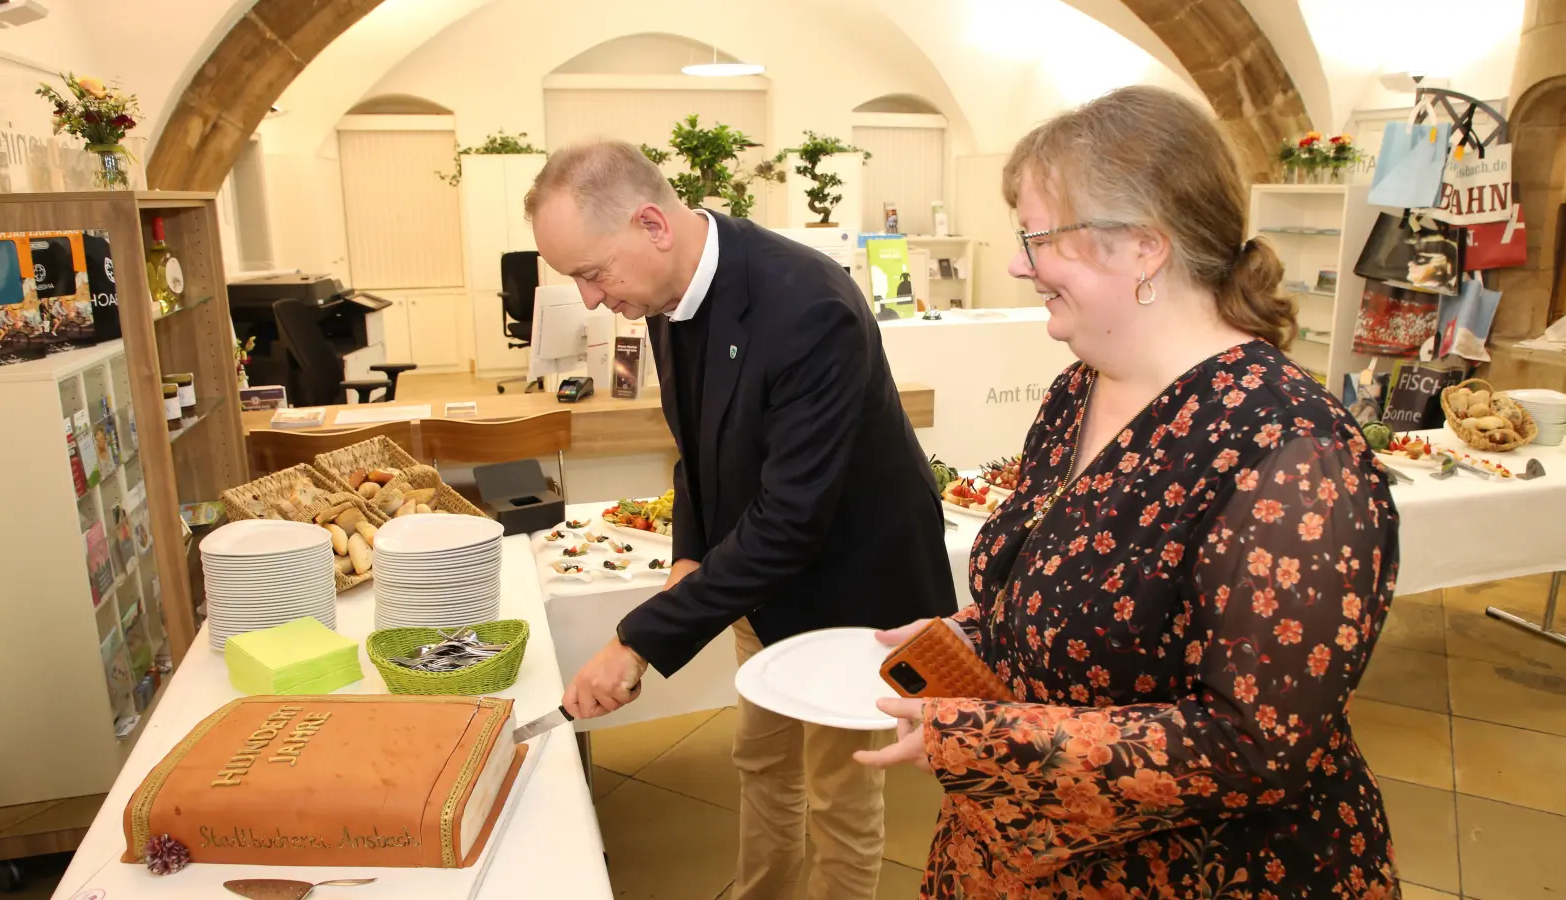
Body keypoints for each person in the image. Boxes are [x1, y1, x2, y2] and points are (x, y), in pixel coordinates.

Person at [856, 85, 1401, 897]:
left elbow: (1254, 750)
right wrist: (976, 635)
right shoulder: (1078, 391)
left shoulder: (1292, 456)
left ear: (1144, 248)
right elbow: (1096, 603)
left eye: (1038, 236)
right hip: (1027, 853)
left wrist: (989, 740)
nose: (1017, 262)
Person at [525, 141, 956, 900]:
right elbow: (695, 448)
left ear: (653, 224)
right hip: (755, 578)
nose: (591, 300)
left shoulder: (807, 305)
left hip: (852, 588)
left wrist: (637, 642)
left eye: (592, 274)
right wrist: (690, 557)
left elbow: (792, 522)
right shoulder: (661, 294)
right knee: (761, 765)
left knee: (839, 796)